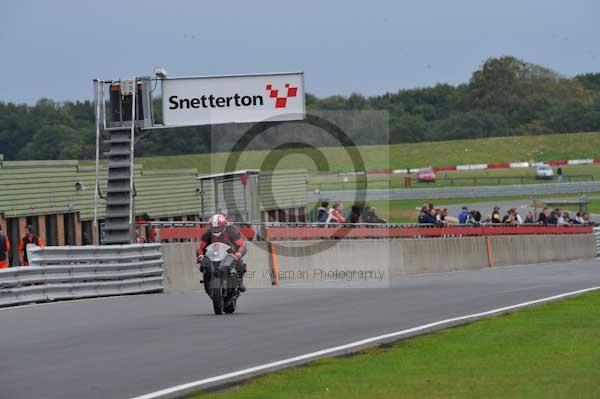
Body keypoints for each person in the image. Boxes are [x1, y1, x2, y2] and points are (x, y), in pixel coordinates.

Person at [197, 214, 247, 293]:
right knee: (203, 266)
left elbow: (241, 245)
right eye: (214, 228)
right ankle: (207, 281)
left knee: (241, 264)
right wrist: (200, 255)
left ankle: (239, 281)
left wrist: (238, 254)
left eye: (218, 228)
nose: (216, 230)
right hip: (213, 254)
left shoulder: (232, 231)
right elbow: (200, 248)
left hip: (230, 253)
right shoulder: (207, 234)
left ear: (224, 225)